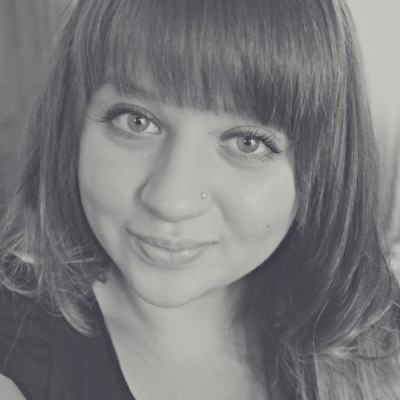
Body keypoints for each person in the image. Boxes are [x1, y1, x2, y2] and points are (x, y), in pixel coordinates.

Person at [0, 0, 399, 399]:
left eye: (247, 142)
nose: (171, 201)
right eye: (137, 121)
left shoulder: (381, 343)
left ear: (323, 171)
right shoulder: (16, 346)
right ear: (72, 125)